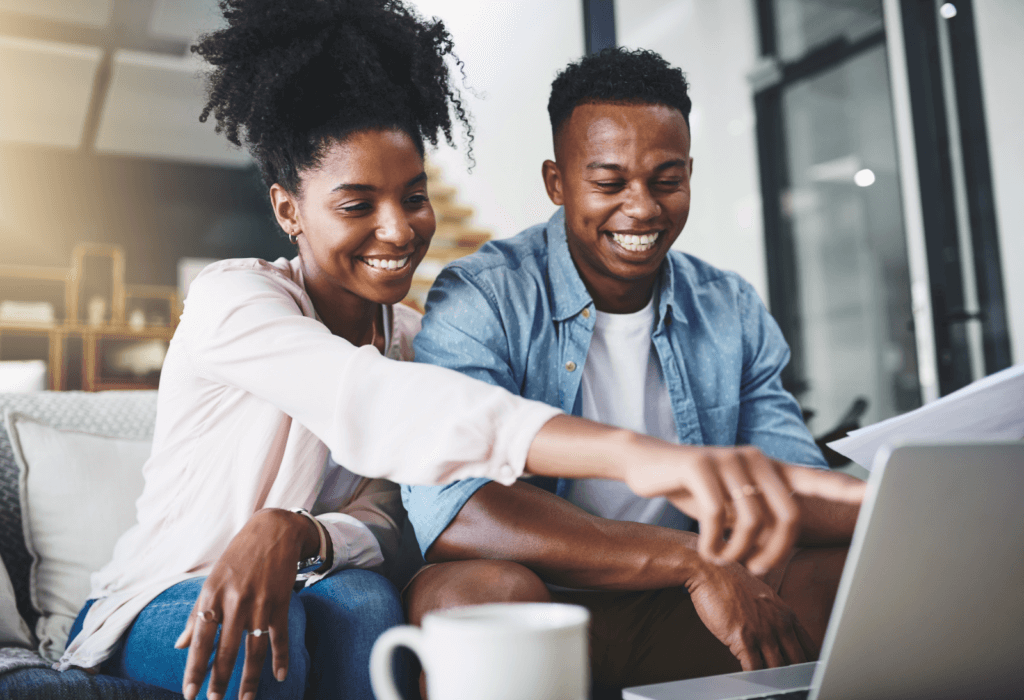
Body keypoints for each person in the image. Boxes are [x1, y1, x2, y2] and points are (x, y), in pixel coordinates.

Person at [56, 6, 861, 700]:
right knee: (281, 628)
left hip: (314, 572)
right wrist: (639, 458)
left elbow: (390, 516)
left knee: (370, 607)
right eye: (356, 204)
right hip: (167, 588)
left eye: (413, 198)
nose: (399, 228)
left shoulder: (407, 337)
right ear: (288, 209)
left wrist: (297, 530)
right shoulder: (236, 302)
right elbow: (383, 410)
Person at [402, 47, 865, 698]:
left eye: (666, 180)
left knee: (850, 576)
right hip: (542, 594)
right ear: (557, 182)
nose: (642, 208)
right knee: (483, 593)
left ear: (689, 175)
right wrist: (690, 562)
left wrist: (892, 507)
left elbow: (788, 486)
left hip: (677, 603)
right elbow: (458, 511)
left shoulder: (728, 308)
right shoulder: (482, 298)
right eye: (610, 182)